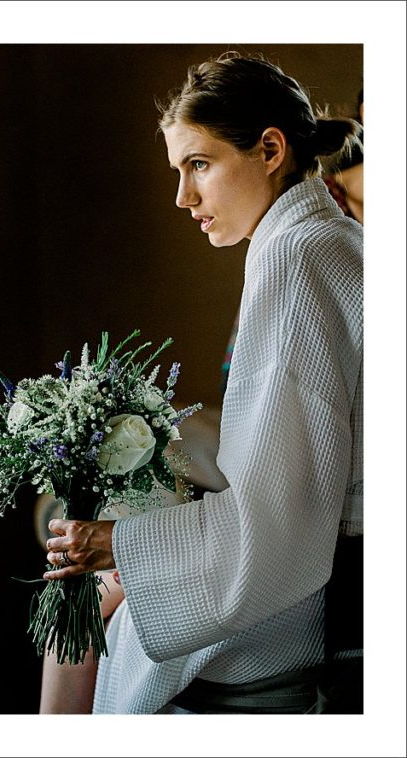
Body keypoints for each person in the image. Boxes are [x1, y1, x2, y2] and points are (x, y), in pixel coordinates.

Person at [40, 53, 363, 714]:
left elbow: (278, 520)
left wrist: (115, 543)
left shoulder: (298, 257)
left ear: (270, 148)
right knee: (86, 587)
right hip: (318, 555)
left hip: (319, 583)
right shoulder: (327, 239)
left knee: (80, 595)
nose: (183, 198)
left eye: (199, 165)